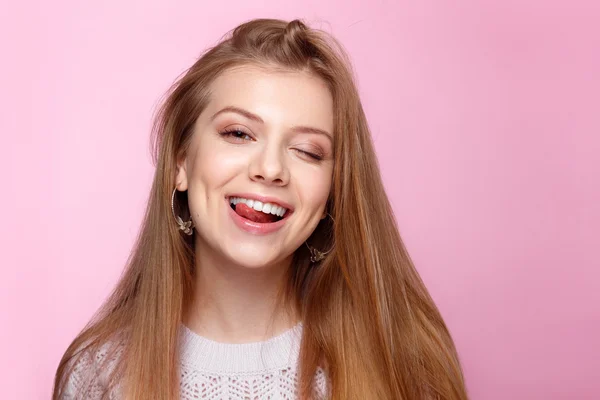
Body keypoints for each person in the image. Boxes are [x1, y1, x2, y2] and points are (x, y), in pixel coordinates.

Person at [52, 18, 468, 400]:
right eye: (238, 133)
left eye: (307, 151)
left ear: (333, 192)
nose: (270, 169)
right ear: (181, 162)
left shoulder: (403, 371)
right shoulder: (98, 377)